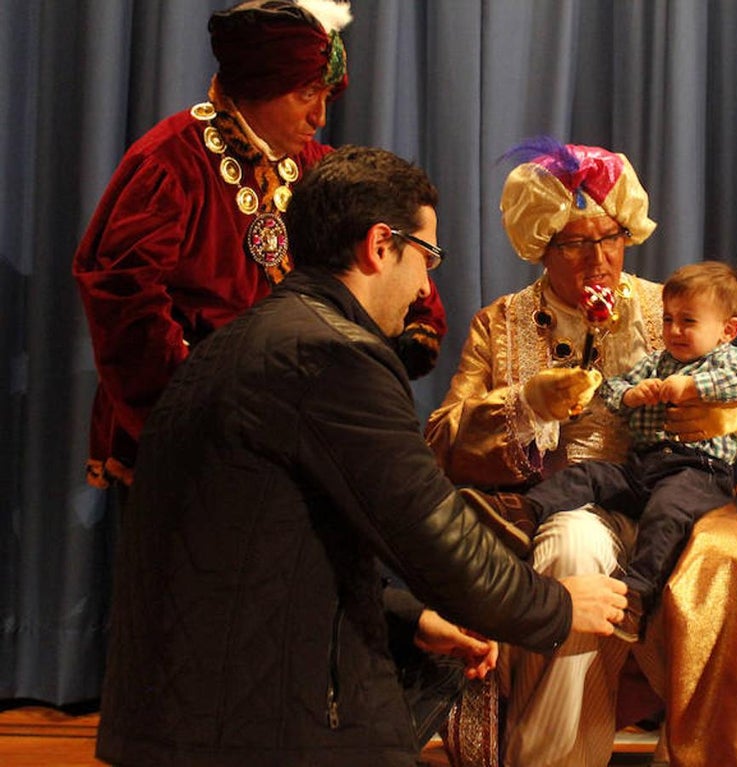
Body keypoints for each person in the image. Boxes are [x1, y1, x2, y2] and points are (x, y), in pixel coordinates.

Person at [95, 145, 628, 767]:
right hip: (264, 730)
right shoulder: (333, 355)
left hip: (180, 721)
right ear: (381, 245)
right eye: (426, 256)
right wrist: (556, 607)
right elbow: (427, 529)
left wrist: (410, 617)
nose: (427, 285)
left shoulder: (236, 345)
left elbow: (276, 548)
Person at [425, 137, 737, 767]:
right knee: (573, 550)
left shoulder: (669, 306)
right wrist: (529, 404)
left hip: (686, 496)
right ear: (541, 245)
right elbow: (443, 438)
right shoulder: (500, 323)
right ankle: (557, 759)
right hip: (571, 499)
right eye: (577, 242)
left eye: (611, 237)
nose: (600, 257)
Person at [72, 0, 446, 493]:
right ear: (257, 85)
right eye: (306, 94)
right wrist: (199, 409)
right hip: (199, 434)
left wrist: (416, 326)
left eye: (327, 96)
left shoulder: (319, 166)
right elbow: (125, 302)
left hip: (295, 431)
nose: (319, 114)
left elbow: (390, 245)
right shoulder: (171, 162)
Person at [466, 261, 737, 645]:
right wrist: (629, 394)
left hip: (697, 473)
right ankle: (523, 512)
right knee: (591, 476)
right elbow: (613, 388)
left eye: (687, 322)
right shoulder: (659, 361)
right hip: (644, 466)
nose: (674, 330)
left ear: (728, 330)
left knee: (667, 509)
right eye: (669, 319)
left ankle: (637, 594)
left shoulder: (728, 360)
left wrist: (694, 386)